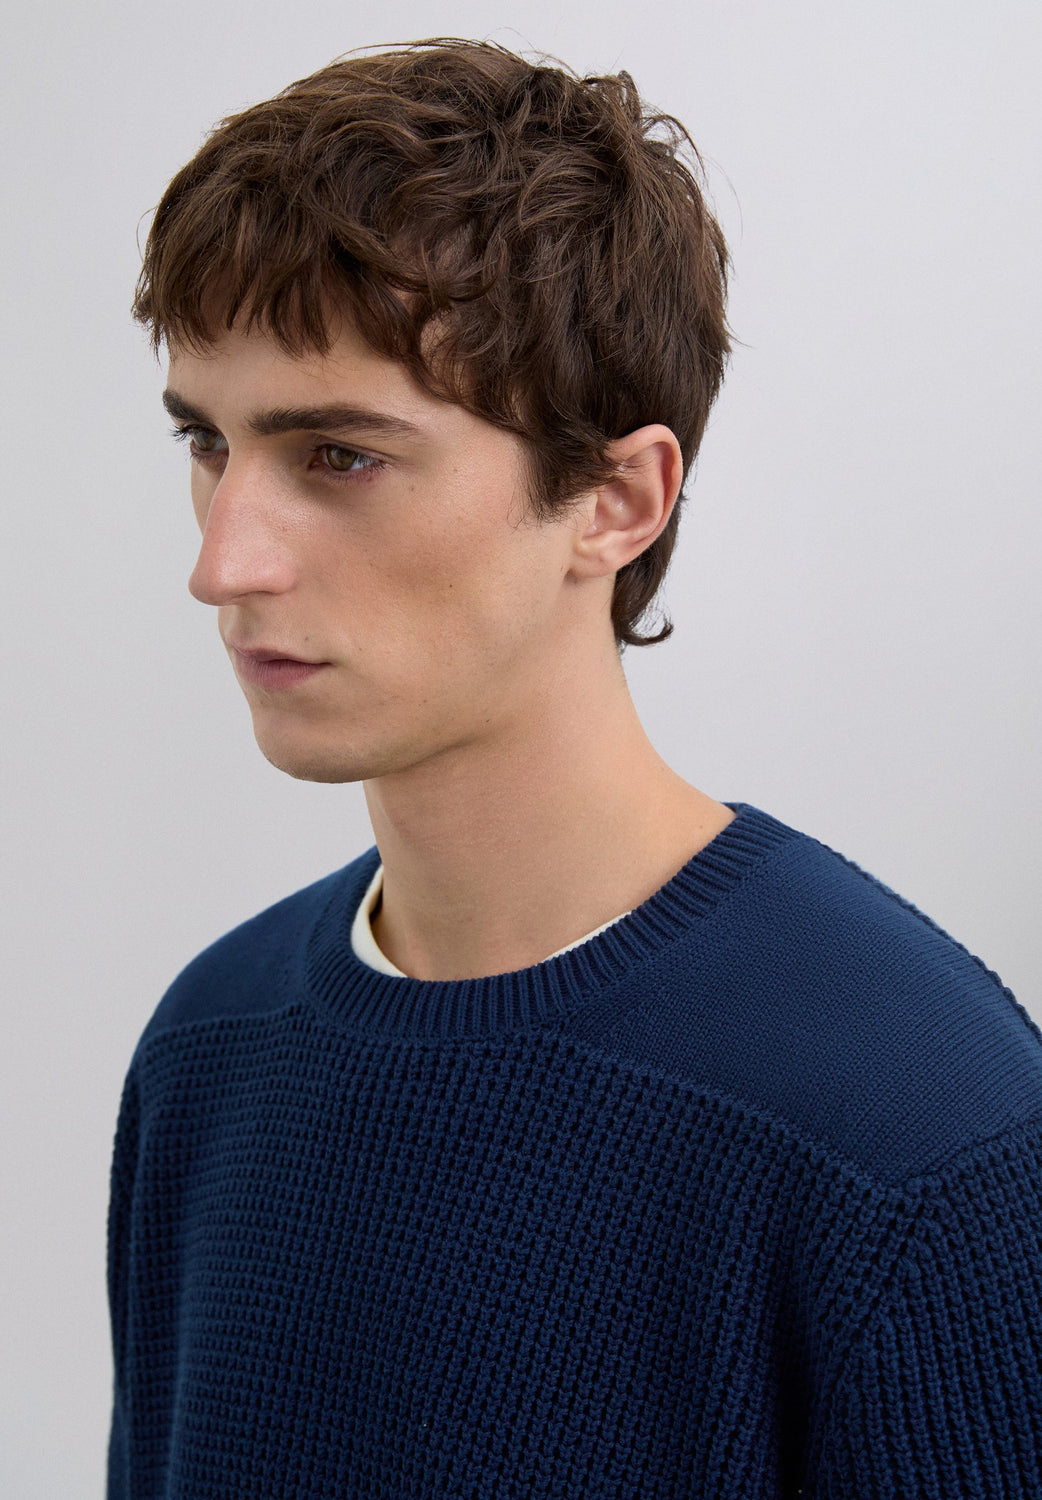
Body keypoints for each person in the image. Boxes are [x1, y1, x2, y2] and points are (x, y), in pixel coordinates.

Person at [106, 37, 1042, 1499]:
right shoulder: (208, 1053)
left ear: (614, 498)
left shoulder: (913, 1132)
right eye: (205, 444)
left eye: (338, 455)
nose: (224, 561)